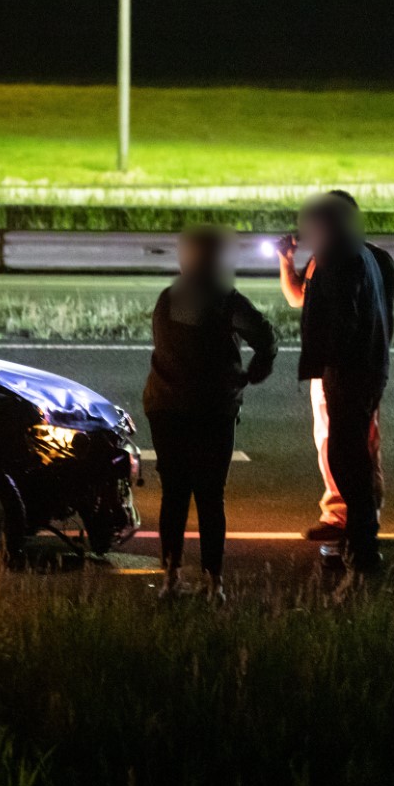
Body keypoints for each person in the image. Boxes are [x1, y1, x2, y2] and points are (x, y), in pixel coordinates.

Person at [144, 225, 278, 601]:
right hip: (212, 410)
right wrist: (255, 370)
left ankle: (170, 578)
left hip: (166, 406)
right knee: (209, 495)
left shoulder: (167, 299)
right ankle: (213, 583)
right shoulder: (226, 300)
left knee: (174, 493)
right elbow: (265, 335)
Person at [277, 191, 394, 546]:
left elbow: (340, 316)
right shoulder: (372, 257)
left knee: (342, 448)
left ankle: (350, 523)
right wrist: (288, 262)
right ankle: (361, 517)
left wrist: (326, 360)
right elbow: (301, 296)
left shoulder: (339, 260)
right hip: (370, 366)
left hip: (345, 370)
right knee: (359, 445)